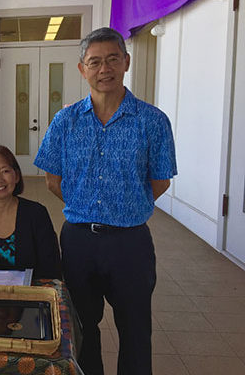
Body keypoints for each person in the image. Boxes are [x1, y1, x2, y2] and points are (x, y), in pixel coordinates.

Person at [34, 27, 177, 375]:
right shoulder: (65, 121)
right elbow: (53, 179)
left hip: (130, 243)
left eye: (113, 59)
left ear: (126, 62)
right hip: (80, 240)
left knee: (136, 330)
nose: (104, 69)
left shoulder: (153, 121)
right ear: (82, 69)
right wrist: (86, 204)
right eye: (94, 62)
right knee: (82, 328)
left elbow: (160, 181)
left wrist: (125, 206)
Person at [0, 145, 62, 279]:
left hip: (33, 294)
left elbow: (51, 269)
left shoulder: (37, 213)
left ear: (16, 176)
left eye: (5, 171)